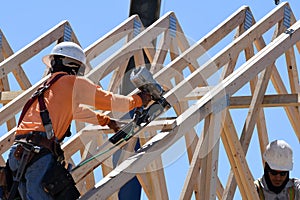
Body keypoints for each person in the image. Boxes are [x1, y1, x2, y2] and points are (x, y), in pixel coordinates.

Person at [7, 41, 152, 200]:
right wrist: (138, 100)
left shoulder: (46, 89)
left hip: (18, 155)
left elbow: (78, 111)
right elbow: (109, 101)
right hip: (38, 154)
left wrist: (106, 121)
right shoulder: (71, 83)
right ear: (75, 66)